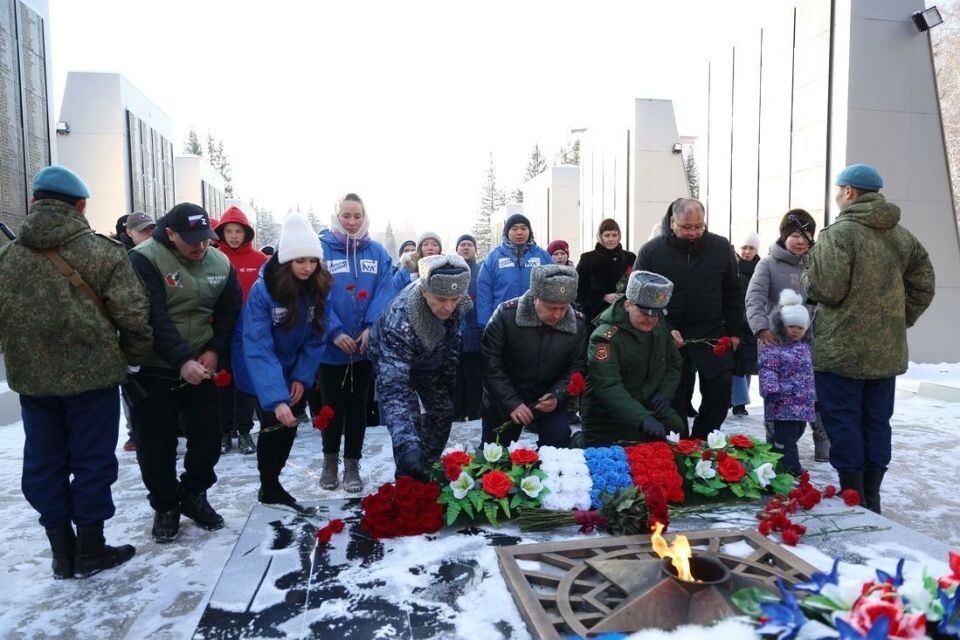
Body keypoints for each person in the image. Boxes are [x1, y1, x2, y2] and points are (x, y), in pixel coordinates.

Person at [0, 165, 152, 578]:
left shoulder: (8, 257)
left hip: (33, 383)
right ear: (81, 206)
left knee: (43, 461)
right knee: (91, 461)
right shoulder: (101, 252)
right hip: (93, 380)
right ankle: (90, 548)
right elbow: (134, 315)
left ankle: (61, 552)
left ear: (34, 202)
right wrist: (134, 357)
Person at [802, 163, 935, 513]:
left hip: (840, 352)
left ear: (849, 192)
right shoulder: (902, 236)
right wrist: (896, 320)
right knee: (876, 421)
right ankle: (872, 495)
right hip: (884, 353)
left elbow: (827, 289)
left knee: (843, 420)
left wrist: (807, 281)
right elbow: (924, 284)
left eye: (838, 189)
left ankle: (854, 497)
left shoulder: (839, 234)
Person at [128, 203, 242, 543]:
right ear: (171, 233)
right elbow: (152, 316)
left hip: (201, 366)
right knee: (155, 444)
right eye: (191, 240)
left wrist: (214, 349)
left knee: (208, 438)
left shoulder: (220, 263)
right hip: (155, 369)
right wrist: (181, 361)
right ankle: (165, 505)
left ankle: (194, 493)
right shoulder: (144, 259)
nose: (200, 246)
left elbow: (229, 310)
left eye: (205, 239)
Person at [233, 212, 332, 514]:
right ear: (286, 260)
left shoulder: (317, 287)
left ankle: (271, 484)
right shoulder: (265, 291)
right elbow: (258, 346)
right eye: (300, 260)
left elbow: (316, 338)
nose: (306, 267)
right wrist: (276, 398)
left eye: (312, 260)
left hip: (292, 366)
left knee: (288, 426)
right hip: (260, 367)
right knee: (273, 424)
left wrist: (301, 378)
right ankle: (270, 485)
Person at [635, 198, 742, 439]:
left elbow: (733, 292)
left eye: (699, 226)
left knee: (720, 391)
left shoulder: (720, 247)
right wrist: (663, 328)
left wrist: (734, 331)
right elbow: (638, 298)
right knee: (674, 396)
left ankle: (703, 439)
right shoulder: (652, 251)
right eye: (687, 227)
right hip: (669, 334)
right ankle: (679, 443)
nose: (694, 233)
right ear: (672, 222)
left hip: (712, 332)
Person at [314, 193, 394, 493]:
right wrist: (334, 331)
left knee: (358, 407)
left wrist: (372, 328)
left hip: (363, 348)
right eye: (346, 216)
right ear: (336, 216)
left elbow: (385, 291)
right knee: (330, 407)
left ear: (364, 217)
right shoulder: (321, 250)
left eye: (357, 216)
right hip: (330, 347)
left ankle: (351, 464)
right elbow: (315, 294)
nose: (351, 221)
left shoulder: (377, 252)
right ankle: (330, 461)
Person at [370, 255, 473, 480]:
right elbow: (393, 389)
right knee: (410, 425)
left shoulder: (456, 302)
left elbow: (452, 342)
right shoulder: (400, 320)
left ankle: (426, 469)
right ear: (424, 291)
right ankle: (407, 477)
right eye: (441, 299)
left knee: (443, 411)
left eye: (454, 299)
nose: (448, 307)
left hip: (430, 361)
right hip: (394, 363)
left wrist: (445, 382)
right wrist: (407, 445)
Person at [745, 209, 830, 461]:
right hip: (775, 343)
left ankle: (822, 439)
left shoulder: (817, 263)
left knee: (815, 394)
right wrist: (761, 327)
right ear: (784, 236)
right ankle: (777, 447)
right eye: (795, 234)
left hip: (810, 342)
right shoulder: (767, 263)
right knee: (776, 394)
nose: (801, 241)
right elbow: (754, 298)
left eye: (807, 235)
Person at [480, 265, 589, 447]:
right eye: (551, 307)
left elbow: (576, 368)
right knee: (495, 455)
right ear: (535, 297)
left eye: (563, 308)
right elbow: (490, 364)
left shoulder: (577, 324)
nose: (558, 315)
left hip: (547, 402)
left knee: (557, 452)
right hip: (504, 400)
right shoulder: (506, 316)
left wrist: (557, 396)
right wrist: (511, 403)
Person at [581, 271, 683, 446]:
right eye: (645, 313)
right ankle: (578, 442)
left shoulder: (659, 326)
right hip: (608, 413)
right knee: (616, 457)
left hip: (647, 403)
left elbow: (674, 363)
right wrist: (642, 418)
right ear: (628, 305)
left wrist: (664, 395)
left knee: (676, 428)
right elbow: (607, 385)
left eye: (656, 314)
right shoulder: (605, 337)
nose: (651, 320)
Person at [214, 206, 268, 455]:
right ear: (221, 233)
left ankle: (245, 430)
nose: (233, 236)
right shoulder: (212, 259)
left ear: (247, 233)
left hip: (250, 332)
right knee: (222, 381)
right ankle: (225, 431)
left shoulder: (260, 261)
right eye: (229, 231)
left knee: (245, 383)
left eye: (238, 231)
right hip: (220, 331)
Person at [758, 290, 816, 476]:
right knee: (786, 438)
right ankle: (792, 469)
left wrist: (815, 397)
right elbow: (768, 369)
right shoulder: (774, 347)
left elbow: (810, 375)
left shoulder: (805, 348)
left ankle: (773, 462)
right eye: (791, 326)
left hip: (802, 405)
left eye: (800, 327)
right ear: (782, 325)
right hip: (782, 403)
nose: (795, 331)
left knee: (794, 434)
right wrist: (772, 390)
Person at [117, 211, 157, 453]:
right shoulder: (117, 257)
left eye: (151, 229)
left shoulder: (160, 255)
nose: (148, 234)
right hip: (130, 335)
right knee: (132, 389)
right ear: (129, 233)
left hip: (154, 331)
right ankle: (136, 433)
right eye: (143, 230)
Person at [476, 213, 552, 327]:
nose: (519, 232)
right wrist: (485, 323)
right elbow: (484, 291)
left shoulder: (542, 256)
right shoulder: (494, 257)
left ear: (529, 231)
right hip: (502, 320)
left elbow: (552, 287)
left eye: (523, 228)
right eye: (514, 229)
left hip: (536, 319)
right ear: (507, 232)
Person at [575, 219, 636, 324]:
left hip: (625, 316)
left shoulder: (630, 258)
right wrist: (603, 297)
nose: (611, 239)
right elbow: (578, 290)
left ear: (619, 236)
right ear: (600, 237)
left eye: (614, 235)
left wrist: (625, 297)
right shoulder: (587, 259)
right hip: (596, 318)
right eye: (607, 235)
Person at [454, 233, 483, 421]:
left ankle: (475, 414)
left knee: (475, 377)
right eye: (462, 244)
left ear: (475, 249)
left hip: (476, 332)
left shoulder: (481, 270)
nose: (466, 248)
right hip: (454, 333)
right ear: (456, 249)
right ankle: (456, 414)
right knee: (455, 378)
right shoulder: (450, 270)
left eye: (469, 245)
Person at [731, 231, 761, 417]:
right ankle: (734, 400)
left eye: (751, 248)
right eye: (744, 247)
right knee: (734, 363)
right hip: (735, 321)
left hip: (751, 322)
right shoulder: (731, 267)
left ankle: (740, 403)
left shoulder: (761, 267)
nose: (747, 252)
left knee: (747, 365)